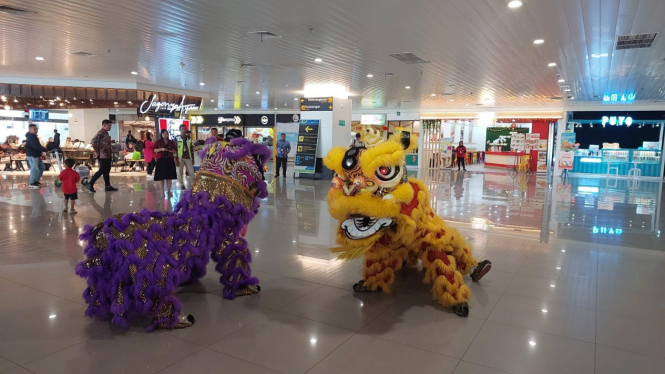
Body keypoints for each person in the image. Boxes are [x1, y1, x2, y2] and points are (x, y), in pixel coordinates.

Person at [87, 120, 118, 192]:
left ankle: (107, 185)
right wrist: (98, 151)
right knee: (102, 170)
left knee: (106, 171)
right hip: (102, 155)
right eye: (109, 125)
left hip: (107, 155)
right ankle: (90, 184)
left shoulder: (106, 133)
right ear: (104, 125)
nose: (110, 127)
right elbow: (93, 141)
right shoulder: (100, 133)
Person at [153, 129, 178, 197]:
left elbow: (175, 150)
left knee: (169, 177)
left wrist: (172, 151)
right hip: (161, 160)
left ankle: (169, 191)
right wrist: (162, 149)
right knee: (161, 177)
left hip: (169, 160)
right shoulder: (158, 142)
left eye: (166, 133)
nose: (165, 135)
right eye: (164, 133)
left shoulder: (171, 142)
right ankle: (162, 191)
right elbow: (154, 150)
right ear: (161, 134)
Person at [25, 124, 48, 188]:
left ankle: (36, 181)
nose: (36, 130)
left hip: (36, 155)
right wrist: (45, 150)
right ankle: (32, 183)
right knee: (35, 169)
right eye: (34, 129)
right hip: (32, 155)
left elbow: (37, 146)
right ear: (30, 130)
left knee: (42, 167)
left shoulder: (34, 136)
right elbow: (36, 146)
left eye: (36, 129)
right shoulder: (31, 137)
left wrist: (44, 149)